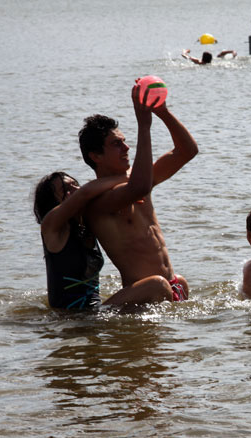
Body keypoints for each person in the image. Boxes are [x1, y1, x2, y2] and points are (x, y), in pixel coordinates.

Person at [78, 81, 199, 304]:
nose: (126, 148)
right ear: (96, 156)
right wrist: (144, 125)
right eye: (116, 144)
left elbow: (187, 151)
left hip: (168, 287)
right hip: (143, 294)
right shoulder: (99, 201)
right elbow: (139, 188)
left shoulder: (138, 177)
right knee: (157, 284)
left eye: (124, 141)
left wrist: (163, 112)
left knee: (178, 282)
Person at [33, 172, 125, 309]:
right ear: (53, 203)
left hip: (93, 314)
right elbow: (85, 192)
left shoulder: (86, 225)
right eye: (66, 190)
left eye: (76, 185)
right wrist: (127, 177)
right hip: (72, 318)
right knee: (156, 285)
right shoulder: (51, 227)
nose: (77, 190)